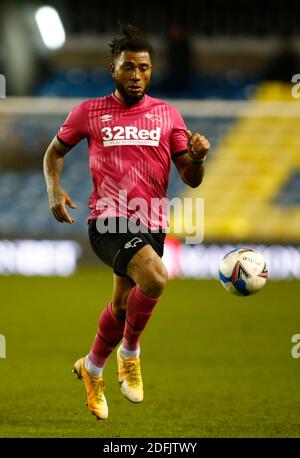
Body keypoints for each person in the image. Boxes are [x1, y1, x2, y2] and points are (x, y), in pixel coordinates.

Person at [43, 23, 210, 420]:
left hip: (151, 222)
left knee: (120, 306)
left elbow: (190, 177)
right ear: (113, 69)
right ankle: (130, 354)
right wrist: (53, 188)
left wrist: (199, 158)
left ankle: (92, 367)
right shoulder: (88, 112)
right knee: (154, 278)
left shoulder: (168, 115)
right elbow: (54, 152)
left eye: (145, 68)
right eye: (129, 68)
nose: (137, 75)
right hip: (107, 220)